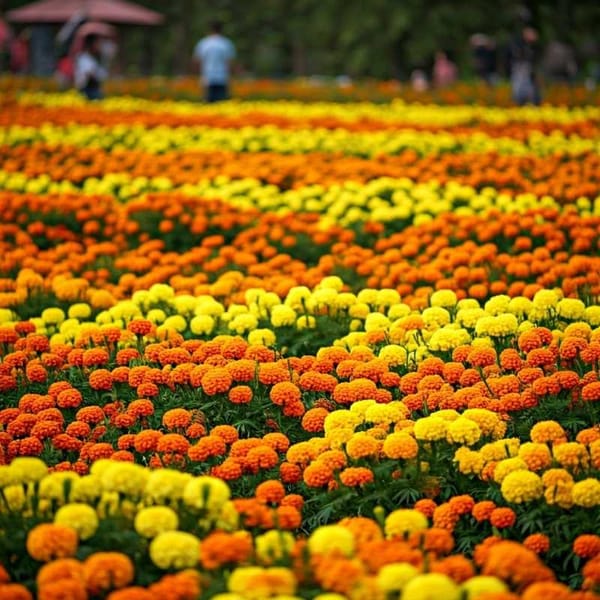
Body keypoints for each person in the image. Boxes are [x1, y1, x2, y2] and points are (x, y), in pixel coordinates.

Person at [193, 21, 236, 103]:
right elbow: (229, 62)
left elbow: (197, 61)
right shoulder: (226, 43)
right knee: (222, 104)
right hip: (222, 77)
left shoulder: (204, 43)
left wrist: (197, 75)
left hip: (207, 77)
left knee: (207, 103)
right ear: (221, 30)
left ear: (210, 30)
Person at [508, 27, 541, 105]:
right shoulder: (518, 44)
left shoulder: (533, 46)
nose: (534, 36)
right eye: (532, 34)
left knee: (531, 92)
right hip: (520, 71)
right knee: (519, 92)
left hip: (530, 73)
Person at [74, 34, 108, 100]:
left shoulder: (93, 58)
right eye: (97, 43)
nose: (99, 46)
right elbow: (89, 74)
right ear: (91, 44)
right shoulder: (84, 58)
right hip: (87, 90)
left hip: (92, 89)